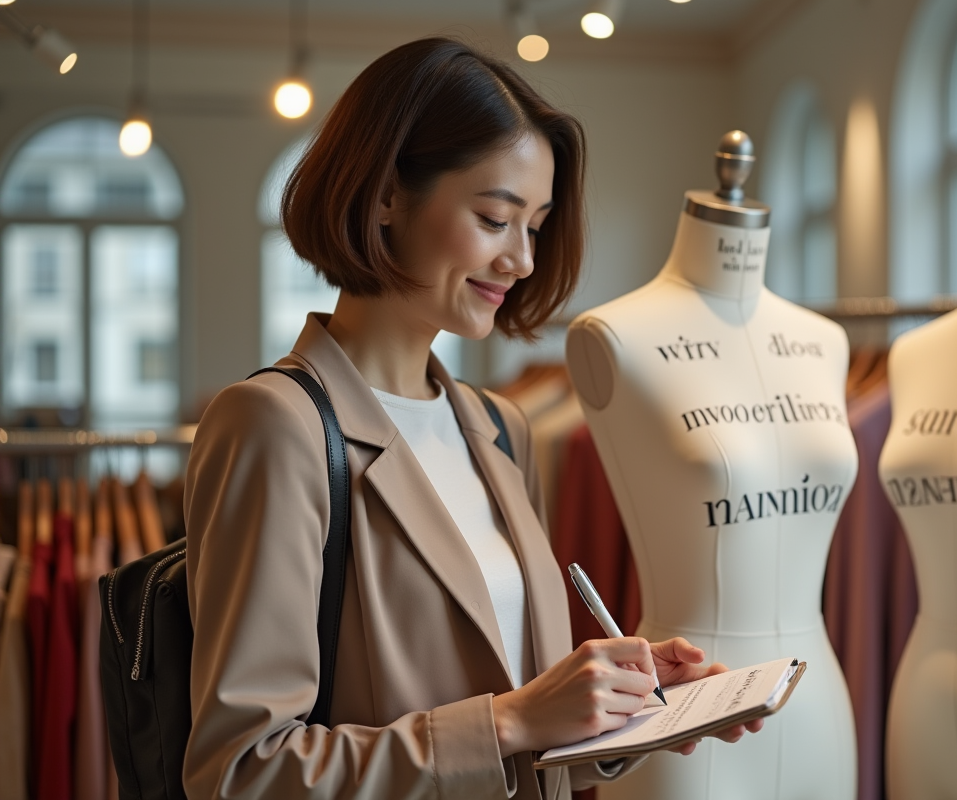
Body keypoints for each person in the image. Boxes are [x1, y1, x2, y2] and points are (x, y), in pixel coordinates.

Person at [182, 36, 763, 799]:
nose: (522, 260)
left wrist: (627, 705)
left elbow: (519, 739)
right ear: (387, 194)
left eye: (537, 226)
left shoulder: (498, 428)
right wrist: (512, 720)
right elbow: (240, 770)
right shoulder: (274, 425)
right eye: (496, 218)